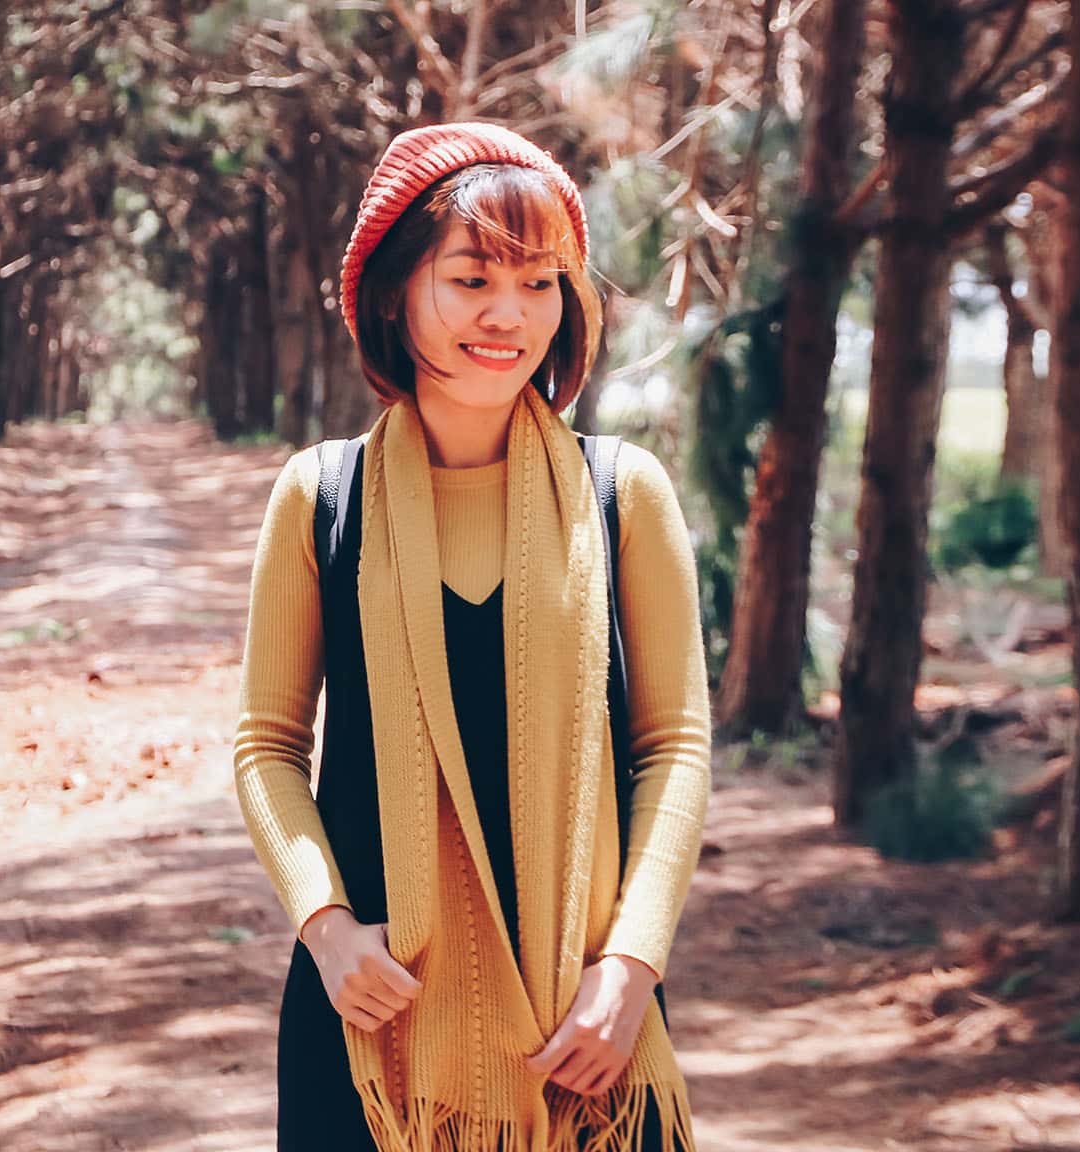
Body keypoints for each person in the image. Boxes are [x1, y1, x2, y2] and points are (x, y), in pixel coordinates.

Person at [233, 121, 711, 1152]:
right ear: (395, 292)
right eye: (471, 279)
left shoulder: (620, 493)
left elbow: (671, 746)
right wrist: (325, 932)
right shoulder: (321, 498)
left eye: (540, 285)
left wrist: (629, 970)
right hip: (372, 1017)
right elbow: (266, 745)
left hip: (584, 1024)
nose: (508, 316)